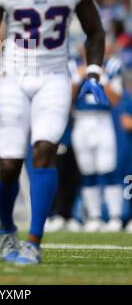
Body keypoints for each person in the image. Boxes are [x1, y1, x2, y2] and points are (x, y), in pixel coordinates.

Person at [0, 0, 107, 265]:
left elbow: (95, 31)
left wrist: (94, 71)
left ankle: (33, 241)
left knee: (45, 150)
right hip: (14, 74)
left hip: (54, 73)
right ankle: (6, 229)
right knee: (9, 165)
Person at [71, 56, 123, 232]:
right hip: (81, 120)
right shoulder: (74, 65)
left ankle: (116, 216)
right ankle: (94, 216)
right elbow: (66, 97)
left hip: (103, 121)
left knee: (108, 169)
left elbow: (115, 99)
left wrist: (102, 77)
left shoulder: (112, 66)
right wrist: (77, 77)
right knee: (87, 171)